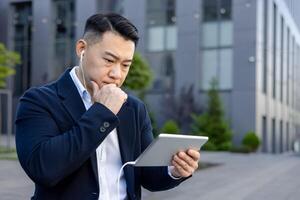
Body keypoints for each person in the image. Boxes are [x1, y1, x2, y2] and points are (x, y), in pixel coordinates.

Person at [15, 13, 200, 200]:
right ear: (82, 49)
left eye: (125, 65)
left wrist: (175, 170)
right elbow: (43, 169)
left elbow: (147, 176)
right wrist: (102, 113)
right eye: (109, 60)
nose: (116, 74)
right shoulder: (38, 101)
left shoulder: (134, 108)